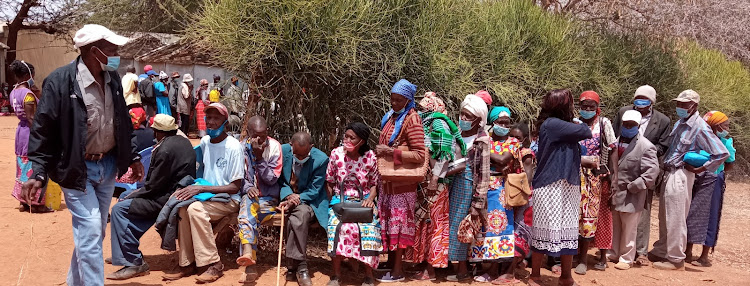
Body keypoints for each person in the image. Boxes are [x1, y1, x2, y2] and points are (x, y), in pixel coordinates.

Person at [22, 24, 143, 286]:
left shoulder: (112, 79)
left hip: (107, 166)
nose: (117, 54)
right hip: (76, 168)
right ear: (94, 51)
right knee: (89, 233)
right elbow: (43, 129)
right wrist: (39, 171)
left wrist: (132, 156)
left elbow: (121, 119)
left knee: (94, 233)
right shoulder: (60, 81)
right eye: (112, 50)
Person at [161, 103, 244, 283]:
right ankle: (187, 263)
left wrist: (201, 188)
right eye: (209, 118)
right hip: (206, 196)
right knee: (182, 209)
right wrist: (192, 187)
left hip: (228, 199)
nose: (211, 122)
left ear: (226, 124)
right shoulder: (205, 142)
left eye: (217, 118)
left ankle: (213, 264)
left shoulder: (233, 147)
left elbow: (235, 187)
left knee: (195, 209)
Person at [107, 114, 196, 280]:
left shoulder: (164, 150)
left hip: (167, 198)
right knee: (126, 196)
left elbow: (153, 186)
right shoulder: (181, 141)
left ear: (158, 132)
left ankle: (134, 262)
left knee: (119, 208)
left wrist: (134, 194)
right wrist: (133, 194)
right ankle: (124, 252)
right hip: (173, 193)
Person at [648, 90, 729, 270]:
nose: (681, 107)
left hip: (681, 173)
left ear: (695, 106)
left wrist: (702, 168)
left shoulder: (700, 126)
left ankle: (676, 258)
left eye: (685, 104)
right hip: (669, 171)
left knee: (676, 216)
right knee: (665, 215)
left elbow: (721, 153)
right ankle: (663, 250)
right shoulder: (681, 123)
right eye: (679, 104)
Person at [528, 89, 591, 286]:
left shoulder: (559, 126)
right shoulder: (553, 125)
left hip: (567, 184)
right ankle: (535, 275)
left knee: (568, 232)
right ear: (562, 106)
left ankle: (566, 276)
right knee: (543, 230)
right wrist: (576, 121)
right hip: (549, 185)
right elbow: (586, 131)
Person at [407, 92, 466, 281]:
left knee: (433, 224)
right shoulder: (427, 123)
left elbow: (444, 154)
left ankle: (430, 268)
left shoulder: (438, 123)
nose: (421, 110)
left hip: (435, 184)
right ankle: (423, 263)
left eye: (424, 108)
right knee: (423, 222)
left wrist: (434, 179)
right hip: (424, 182)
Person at [612, 85, 672, 266]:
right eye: (637, 97)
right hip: (621, 173)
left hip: (642, 171)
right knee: (617, 217)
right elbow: (614, 135)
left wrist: (644, 153)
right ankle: (614, 251)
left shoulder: (662, 120)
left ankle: (640, 252)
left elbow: (664, 145)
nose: (640, 101)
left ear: (652, 102)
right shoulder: (624, 112)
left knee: (640, 214)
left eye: (644, 99)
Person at [374, 79, 426, 282]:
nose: (394, 103)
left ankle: (397, 271)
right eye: (392, 99)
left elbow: (420, 155)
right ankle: (389, 265)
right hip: (388, 181)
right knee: (390, 224)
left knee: (399, 226)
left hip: (402, 184)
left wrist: (391, 152)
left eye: (398, 100)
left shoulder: (412, 120)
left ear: (408, 100)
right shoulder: (392, 117)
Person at [471, 106, 525, 283]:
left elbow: (503, 161)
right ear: (492, 123)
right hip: (482, 187)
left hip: (501, 189)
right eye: (500, 122)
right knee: (483, 227)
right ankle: (485, 266)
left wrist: (484, 150)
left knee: (497, 227)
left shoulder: (512, 143)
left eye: (506, 123)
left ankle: (494, 270)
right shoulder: (486, 140)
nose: (504, 125)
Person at [326, 122, 382, 286]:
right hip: (340, 199)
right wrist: (333, 202)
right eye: (346, 136)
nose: (347, 140)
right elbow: (329, 181)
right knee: (337, 226)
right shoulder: (336, 154)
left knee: (369, 228)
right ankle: (336, 275)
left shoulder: (370, 156)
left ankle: (368, 275)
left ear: (362, 141)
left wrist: (370, 199)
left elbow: (374, 183)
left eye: (352, 138)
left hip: (363, 199)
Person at [445, 94, 491, 282]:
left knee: (462, 227)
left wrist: (477, 203)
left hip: (467, 187)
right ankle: (454, 265)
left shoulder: (482, 141)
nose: (463, 119)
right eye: (462, 115)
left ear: (479, 120)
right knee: (452, 225)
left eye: (468, 117)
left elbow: (484, 174)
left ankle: (462, 270)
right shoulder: (456, 136)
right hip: (451, 184)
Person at [607, 110, 659, 270]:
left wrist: (634, 186)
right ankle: (613, 252)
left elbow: (651, 172)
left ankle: (626, 257)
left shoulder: (646, 146)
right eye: (626, 124)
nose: (628, 127)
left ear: (638, 126)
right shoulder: (615, 143)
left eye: (632, 125)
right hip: (615, 192)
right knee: (615, 225)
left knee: (629, 228)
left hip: (632, 195)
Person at [235, 115, 283, 283]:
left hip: (268, 200)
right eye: (255, 135)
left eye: (263, 135)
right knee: (248, 205)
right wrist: (248, 188)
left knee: (247, 213)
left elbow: (271, 179)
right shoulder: (240, 148)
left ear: (267, 132)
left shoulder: (275, 147)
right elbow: (239, 178)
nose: (259, 139)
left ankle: (249, 263)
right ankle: (249, 259)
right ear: (248, 133)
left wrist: (260, 157)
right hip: (249, 199)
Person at [575, 91, 618, 274]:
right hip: (575, 175)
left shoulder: (603, 123)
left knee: (591, 217)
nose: (587, 110)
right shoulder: (574, 123)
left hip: (595, 177)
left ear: (597, 108)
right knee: (574, 216)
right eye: (584, 107)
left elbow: (613, 148)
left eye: (591, 107)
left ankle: (584, 260)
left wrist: (614, 175)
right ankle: (574, 254)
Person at [278, 131, 329, 286]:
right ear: (290, 144)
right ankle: (299, 268)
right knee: (295, 218)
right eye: (297, 155)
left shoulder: (321, 160)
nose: (300, 158)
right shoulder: (282, 151)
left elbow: (315, 189)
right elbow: (279, 180)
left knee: (299, 215)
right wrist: (288, 196)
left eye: (303, 155)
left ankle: (297, 266)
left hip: (309, 201)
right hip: (287, 199)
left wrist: (297, 199)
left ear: (311, 147)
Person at [684, 111, 735, 267]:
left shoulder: (725, 143)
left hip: (714, 179)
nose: (727, 128)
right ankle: (687, 251)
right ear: (716, 125)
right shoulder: (698, 139)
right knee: (691, 212)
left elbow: (729, 164)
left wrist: (711, 170)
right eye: (725, 125)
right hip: (694, 178)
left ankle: (704, 256)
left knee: (711, 215)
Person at [9, 60, 51, 213]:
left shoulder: (14, 92)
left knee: (22, 166)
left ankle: (23, 201)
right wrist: (42, 136)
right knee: (35, 166)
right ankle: (37, 203)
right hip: (30, 133)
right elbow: (32, 118)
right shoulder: (27, 95)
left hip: (21, 132)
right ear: (28, 75)